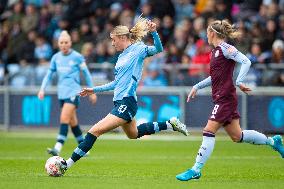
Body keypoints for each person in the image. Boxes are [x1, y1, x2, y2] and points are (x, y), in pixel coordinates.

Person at [58, 18, 189, 173]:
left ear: (122, 38)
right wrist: (94, 90)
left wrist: (154, 33)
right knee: (133, 134)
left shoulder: (139, 49)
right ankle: (170, 124)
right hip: (120, 102)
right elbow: (115, 84)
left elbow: (158, 49)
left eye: (113, 40)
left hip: (126, 102)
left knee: (94, 131)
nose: (112, 44)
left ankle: (67, 164)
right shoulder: (120, 58)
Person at [176, 20, 284, 181]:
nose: (206, 35)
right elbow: (215, 77)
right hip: (222, 98)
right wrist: (197, 86)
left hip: (225, 98)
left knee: (208, 130)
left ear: (212, 33)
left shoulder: (226, 48)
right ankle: (272, 142)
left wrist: (239, 81)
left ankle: (196, 169)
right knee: (237, 136)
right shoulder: (214, 52)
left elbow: (246, 61)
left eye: (207, 31)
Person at [38, 30, 97, 156]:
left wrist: (92, 91)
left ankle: (57, 148)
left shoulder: (77, 57)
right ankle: (84, 149)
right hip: (62, 94)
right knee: (72, 122)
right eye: (61, 42)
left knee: (64, 118)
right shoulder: (56, 57)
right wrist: (42, 89)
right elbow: (49, 75)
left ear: (70, 43)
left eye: (66, 42)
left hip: (73, 92)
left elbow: (86, 74)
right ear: (58, 44)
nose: (64, 45)